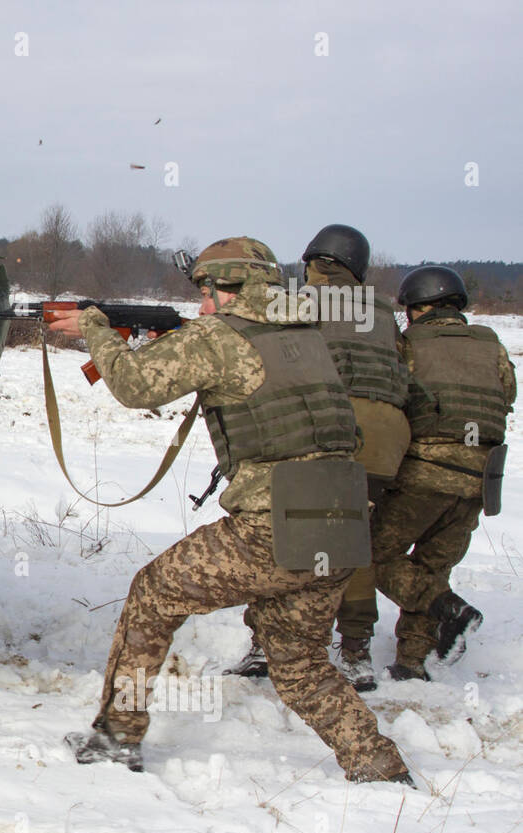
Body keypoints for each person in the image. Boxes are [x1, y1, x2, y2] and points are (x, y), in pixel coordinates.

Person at [46, 237, 410, 783]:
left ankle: (117, 738)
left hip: (273, 527)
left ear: (227, 287)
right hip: (342, 525)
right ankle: (379, 766)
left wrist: (97, 330)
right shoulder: (307, 337)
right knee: (303, 666)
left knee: (152, 593)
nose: (202, 304)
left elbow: (134, 385)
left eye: (206, 291)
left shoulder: (219, 337)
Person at [227, 225, 410, 691]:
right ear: (357, 268)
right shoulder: (384, 310)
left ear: (312, 262)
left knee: (285, 535)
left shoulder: (297, 300)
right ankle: (356, 652)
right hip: (387, 436)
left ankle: (265, 646)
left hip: (329, 427)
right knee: (354, 541)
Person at [367, 266, 515, 681]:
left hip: (424, 475)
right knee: (432, 567)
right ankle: (412, 662)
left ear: (416, 309)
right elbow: (507, 394)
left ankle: (449, 608)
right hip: (480, 482)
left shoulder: (408, 344)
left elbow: (392, 395)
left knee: (372, 555)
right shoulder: (492, 345)